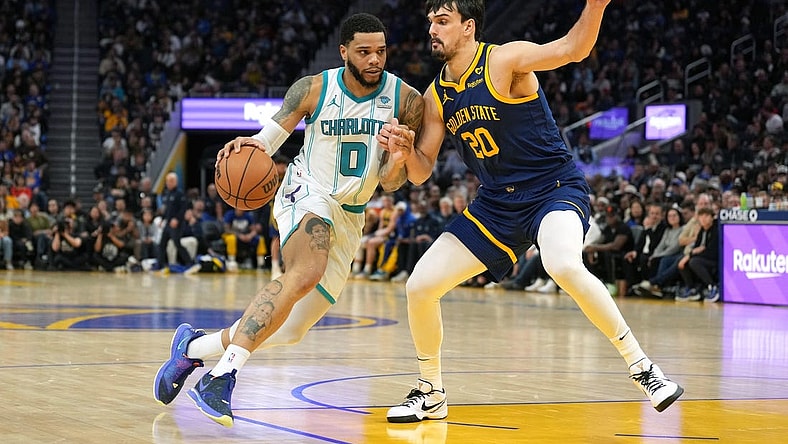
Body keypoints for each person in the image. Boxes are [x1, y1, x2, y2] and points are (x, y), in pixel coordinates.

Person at [383, 0, 683, 423]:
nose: (433, 29)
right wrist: (401, 153)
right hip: (496, 203)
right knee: (420, 286)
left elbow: (573, 48)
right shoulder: (436, 95)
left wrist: (595, 6)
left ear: (468, 27)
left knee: (561, 263)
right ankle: (431, 391)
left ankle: (644, 369)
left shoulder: (505, 59)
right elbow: (420, 173)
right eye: (430, 21)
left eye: (443, 21)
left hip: (552, 188)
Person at [152, 13, 423, 427]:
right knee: (306, 271)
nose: (374, 60)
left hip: (351, 215)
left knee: (290, 328)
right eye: (365, 51)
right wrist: (251, 145)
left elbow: (390, 182)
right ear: (344, 52)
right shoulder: (314, 88)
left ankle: (192, 349)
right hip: (306, 191)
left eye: (381, 51)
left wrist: (400, 158)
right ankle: (221, 378)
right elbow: (268, 138)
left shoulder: (405, 100)